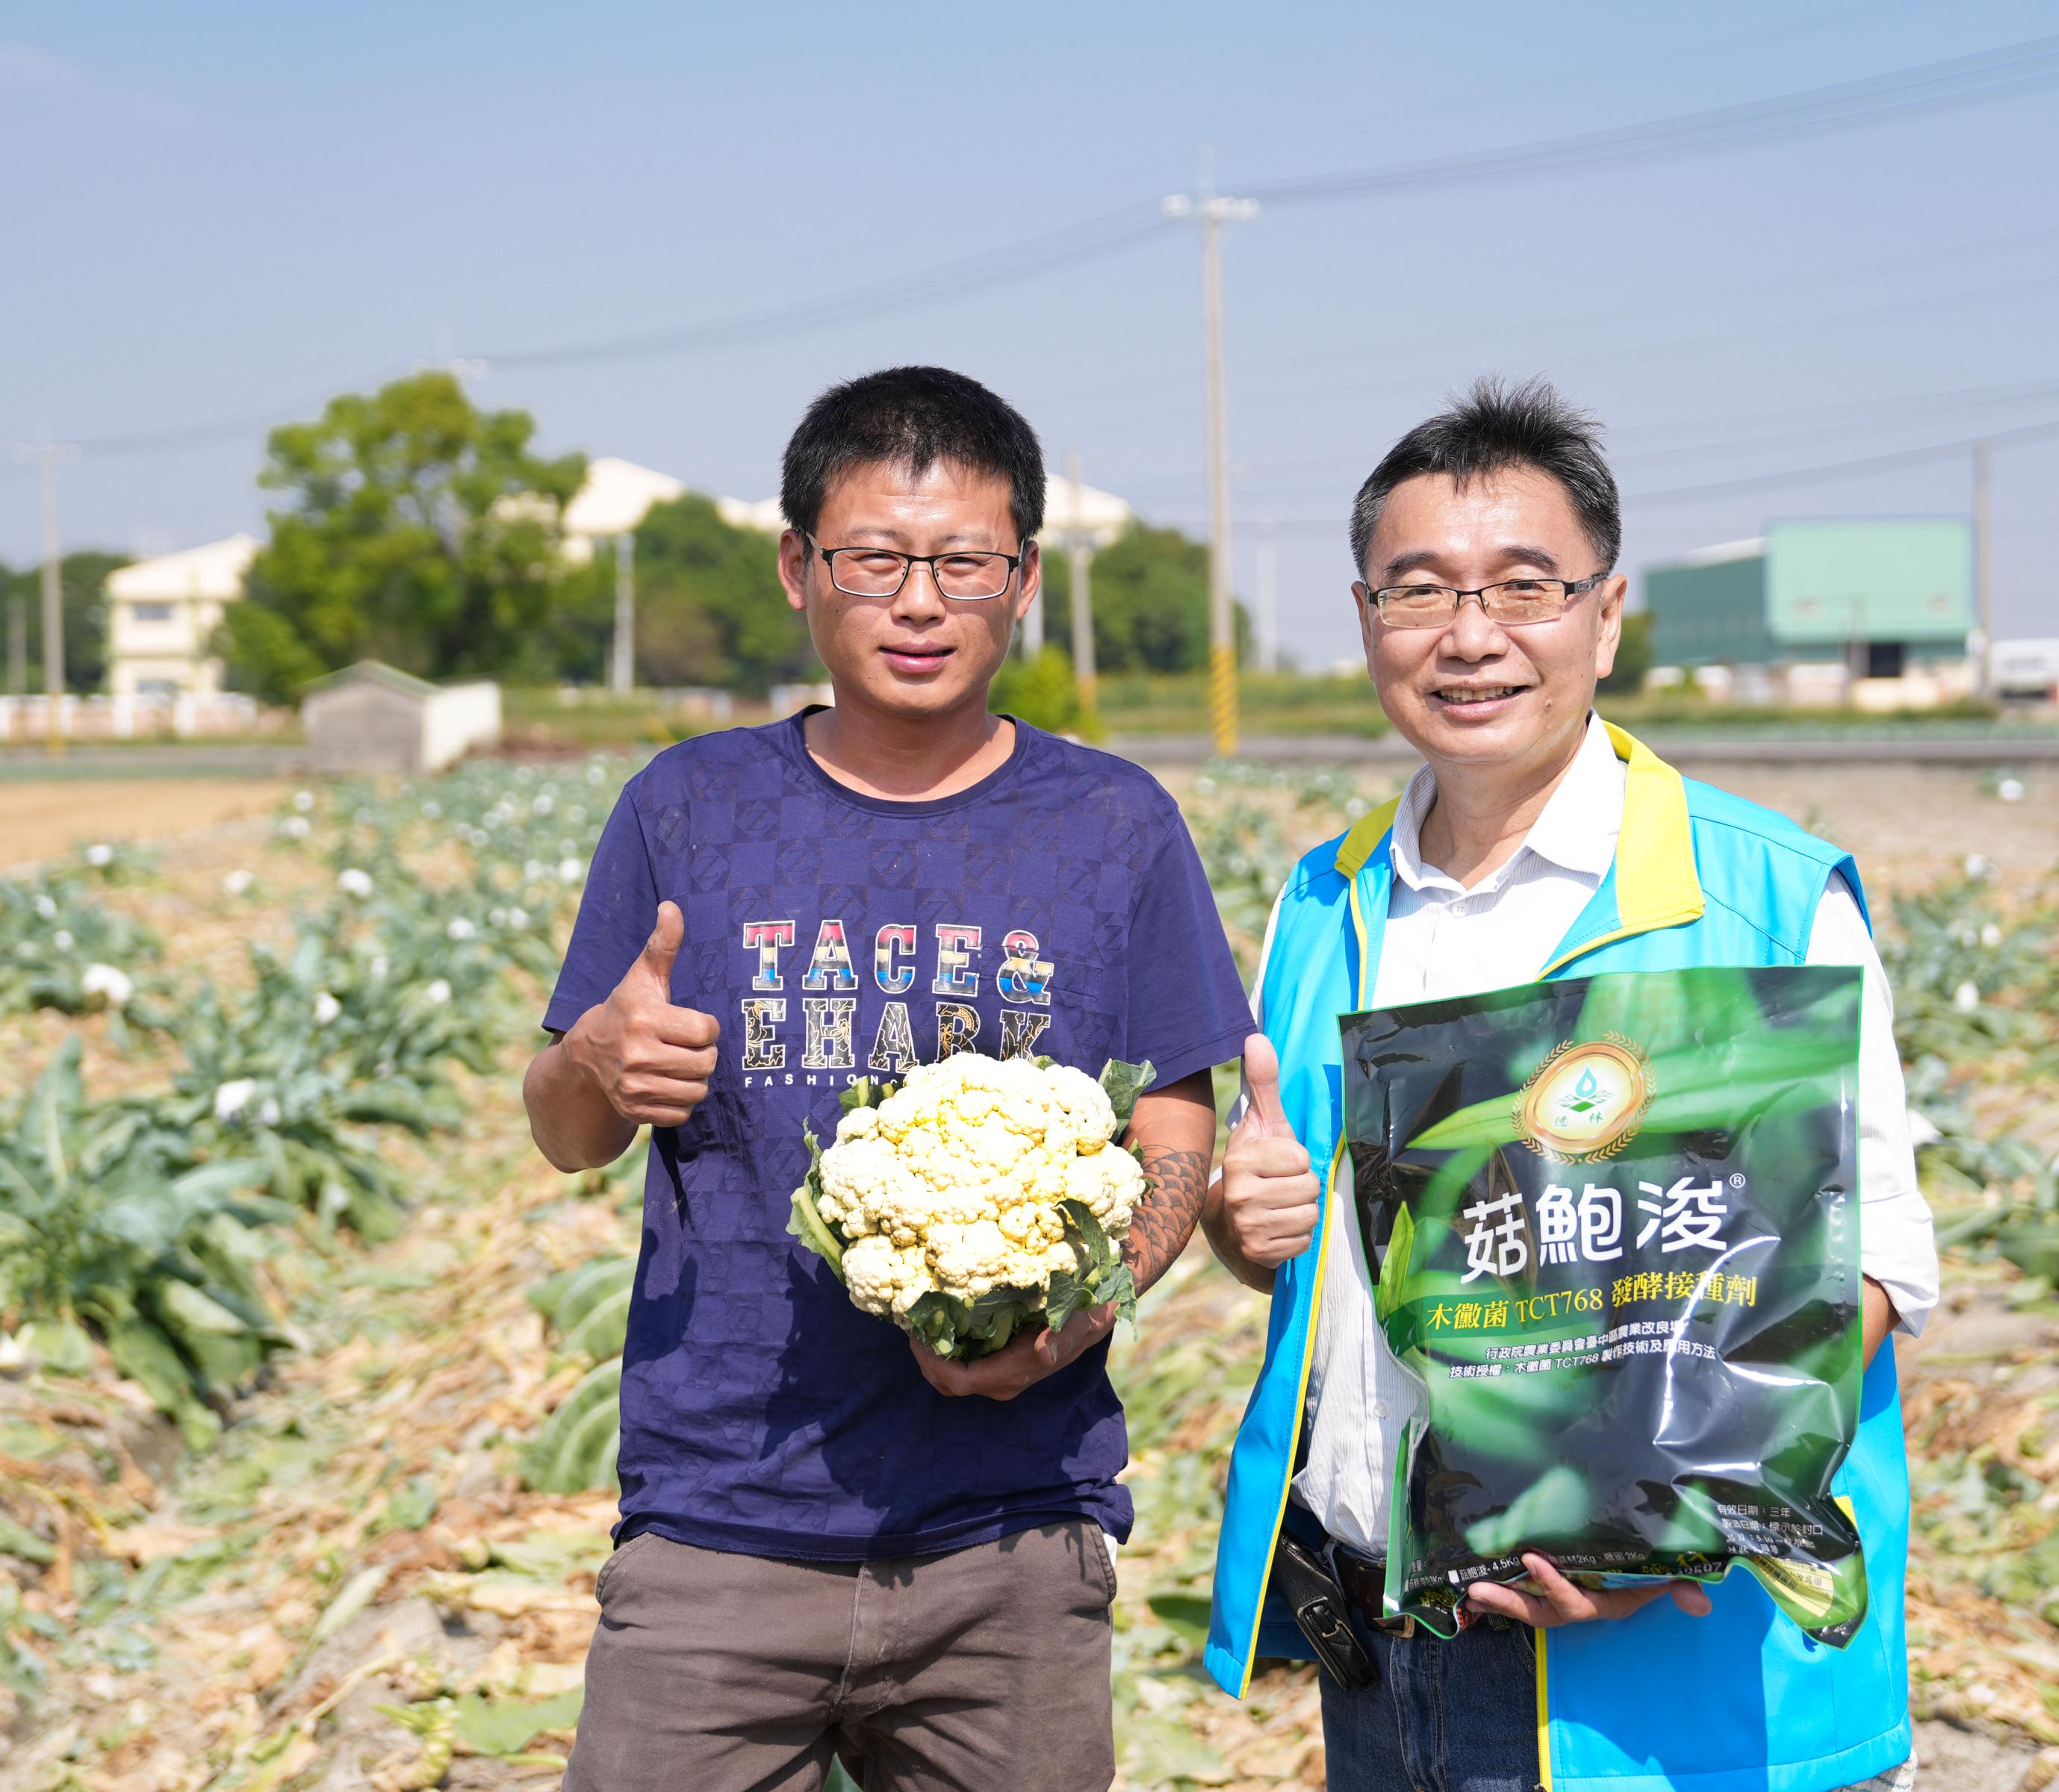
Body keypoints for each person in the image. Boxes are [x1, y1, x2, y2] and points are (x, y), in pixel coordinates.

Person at [1199, 379, 1938, 1792]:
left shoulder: (1767, 898)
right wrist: (1252, 1229)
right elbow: (1314, 1266)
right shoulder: (1326, 898)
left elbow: (1871, 1274)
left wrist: (1643, 1526)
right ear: (1366, 621)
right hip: (1390, 1644)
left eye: (1523, 587)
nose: (1469, 637)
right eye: (1418, 591)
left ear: (1604, 614)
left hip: (1671, 1671)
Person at [525, 366, 1252, 1792]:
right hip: (716, 1527)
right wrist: (599, 1062)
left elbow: (1174, 1113)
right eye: (875, 557)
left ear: (1023, 577)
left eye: (963, 561)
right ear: (801, 567)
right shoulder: (688, 805)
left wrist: (1089, 1301)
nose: (919, 600)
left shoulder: (1114, 823)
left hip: (1013, 1541)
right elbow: (564, 1134)